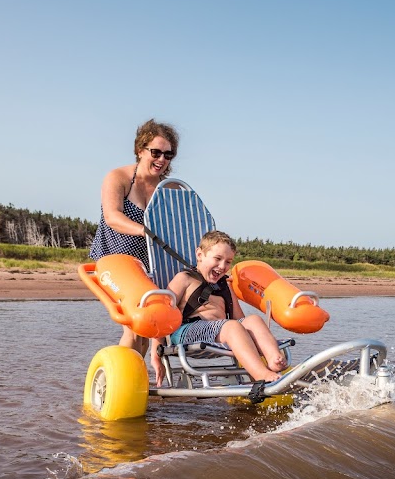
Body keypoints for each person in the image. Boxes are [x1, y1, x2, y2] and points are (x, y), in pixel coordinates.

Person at [150, 231, 287, 387]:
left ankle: (274, 360)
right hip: (188, 332)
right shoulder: (185, 279)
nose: (222, 266)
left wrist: (250, 332)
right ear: (199, 254)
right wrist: (156, 355)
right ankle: (261, 375)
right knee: (231, 326)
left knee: (253, 320)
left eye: (228, 262)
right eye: (217, 259)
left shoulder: (225, 286)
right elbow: (160, 317)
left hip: (220, 332)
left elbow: (240, 319)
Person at [89, 119, 179, 355]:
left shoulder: (169, 188)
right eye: (156, 152)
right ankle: (121, 384)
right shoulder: (118, 177)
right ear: (140, 150)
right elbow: (112, 217)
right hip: (116, 262)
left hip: (151, 265)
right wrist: (144, 230)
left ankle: (137, 379)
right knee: (133, 324)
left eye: (168, 155)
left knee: (149, 326)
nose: (161, 160)